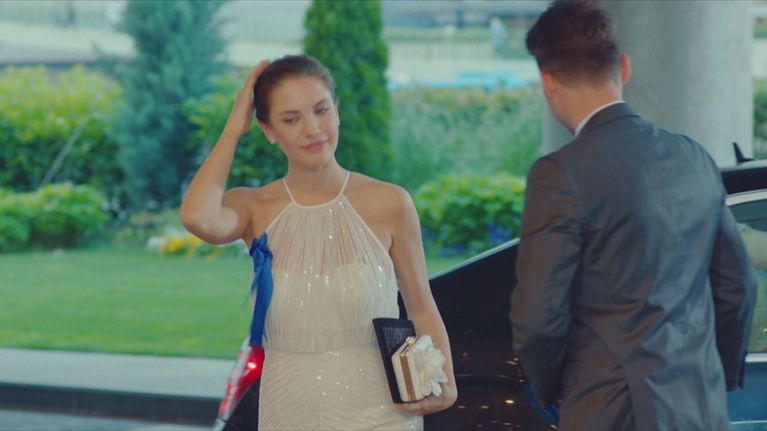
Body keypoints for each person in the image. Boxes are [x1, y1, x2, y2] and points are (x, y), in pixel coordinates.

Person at [510, 1, 756, 430]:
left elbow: (539, 319)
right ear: (624, 67)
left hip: (611, 409)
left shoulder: (561, 174)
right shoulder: (693, 157)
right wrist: (712, 375)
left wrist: (556, 391)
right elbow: (737, 287)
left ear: (547, 82)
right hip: (699, 407)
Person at [179, 55, 456, 430]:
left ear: (337, 111)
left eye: (321, 110)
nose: (312, 129)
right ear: (268, 129)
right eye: (291, 119)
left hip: (379, 413)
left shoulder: (390, 203)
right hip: (287, 407)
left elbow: (420, 305)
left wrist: (445, 377)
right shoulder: (253, 207)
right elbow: (197, 216)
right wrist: (232, 129)